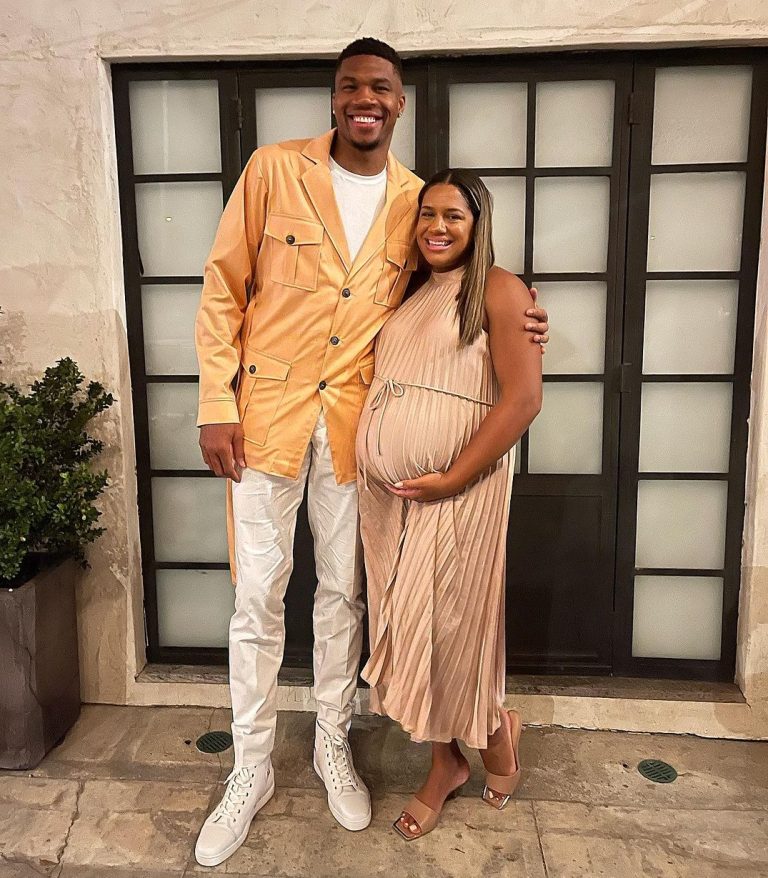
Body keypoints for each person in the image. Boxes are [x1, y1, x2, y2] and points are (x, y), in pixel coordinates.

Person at [193, 38, 549, 867]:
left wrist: (526, 313)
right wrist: (215, 404)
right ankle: (249, 769)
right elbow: (223, 289)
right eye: (351, 85)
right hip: (266, 419)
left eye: (380, 87)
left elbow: (460, 283)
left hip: (352, 434)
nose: (365, 98)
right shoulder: (274, 170)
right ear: (334, 97)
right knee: (257, 598)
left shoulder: (416, 199)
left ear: (399, 103)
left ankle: (332, 744)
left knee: (343, 594)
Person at [356, 169, 543, 840]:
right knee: (415, 631)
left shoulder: (498, 287)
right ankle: (478, 741)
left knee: (450, 628)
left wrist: (454, 476)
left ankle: (460, 757)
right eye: (427, 214)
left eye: (453, 216)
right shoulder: (409, 288)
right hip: (394, 500)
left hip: (461, 488)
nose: (436, 227)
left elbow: (523, 399)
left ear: (477, 224)